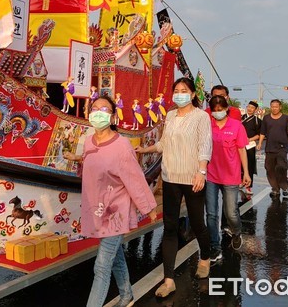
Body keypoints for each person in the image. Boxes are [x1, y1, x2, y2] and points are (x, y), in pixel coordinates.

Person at [64, 95, 157, 307]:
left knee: (101, 266)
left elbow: (135, 179)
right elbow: (92, 164)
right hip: (97, 209)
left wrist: (149, 207)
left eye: (104, 109)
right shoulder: (88, 141)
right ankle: (127, 295)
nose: (98, 112)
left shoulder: (122, 145)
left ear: (113, 116)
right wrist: (77, 159)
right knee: (115, 257)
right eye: (94, 108)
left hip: (116, 211)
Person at [136, 77, 212, 295]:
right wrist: (146, 150)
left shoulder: (201, 117)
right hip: (170, 178)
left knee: (198, 224)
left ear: (193, 94)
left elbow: (205, 145)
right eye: (176, 90)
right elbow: (164, 144)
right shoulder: (170, 116)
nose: (179, 94)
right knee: (169, 227)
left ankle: (205, 258)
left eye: (184, 90)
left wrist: (201, 172)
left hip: (193, 179)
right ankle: (168, 280)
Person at [206, 95, 251, 265]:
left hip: (231, 176)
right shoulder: (207, 125)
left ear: (227, 109)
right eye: (214, 110)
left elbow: (241, 150)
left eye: (220, 110)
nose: (218, 113)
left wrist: (245, 172)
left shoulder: (236, 125)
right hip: (210, 174)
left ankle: (237, 232)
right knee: (211, 214)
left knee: (231, 212)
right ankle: (215, 247)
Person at [257, 99, 288, 198]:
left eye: (276, 107)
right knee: (269, 169)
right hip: (270, 147)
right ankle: (275, 188)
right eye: (272, 106)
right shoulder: (266, 118)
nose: (274, 108)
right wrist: (260, 143)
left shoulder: (286, 118)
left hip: (282, 147)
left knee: (281, 166)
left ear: (280, 107)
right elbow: (262, 132)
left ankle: (284, 186)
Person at [241, 100, 262, 194]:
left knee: (249, 165)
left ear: (256, 110)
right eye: (248, 107)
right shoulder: (240, 118)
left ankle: (248, 186)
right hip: (239, 144)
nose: (250, 109)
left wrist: (249, 139)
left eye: (252, 108)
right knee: (238, 164)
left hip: (250, 145)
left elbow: (260, 134)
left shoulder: (258, 121)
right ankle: (240, 182)